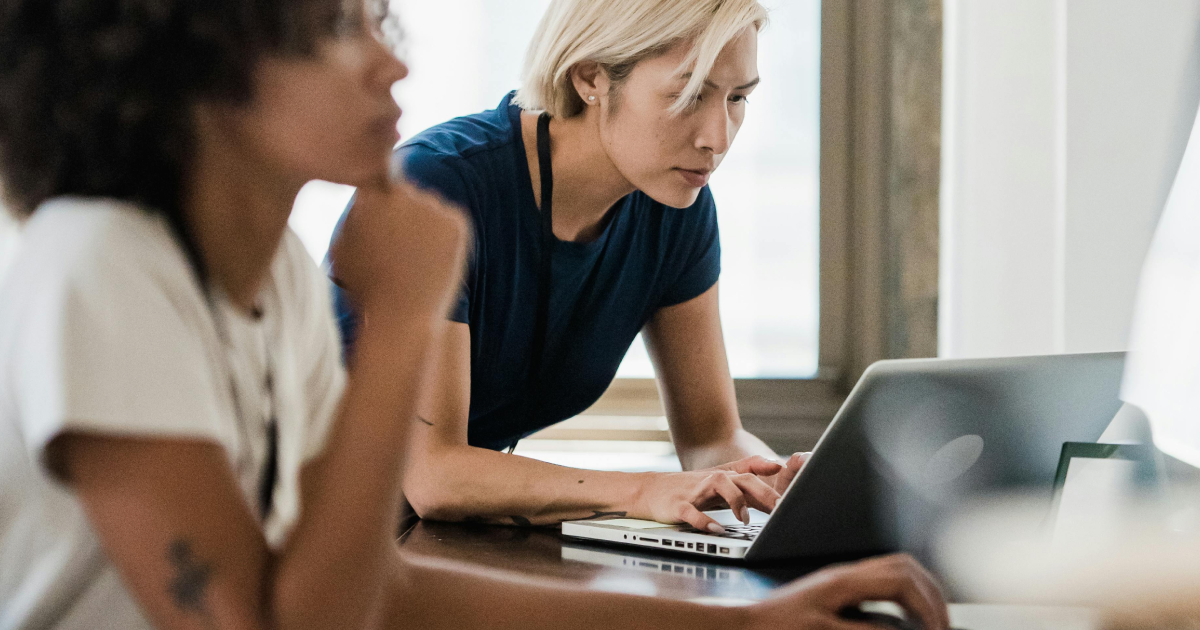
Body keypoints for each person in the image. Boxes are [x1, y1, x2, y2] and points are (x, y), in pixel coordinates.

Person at [0, 0, 951, 628]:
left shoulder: (277, 278)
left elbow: (377, 586)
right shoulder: (101, 265)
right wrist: (407, 314)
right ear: (205, 81)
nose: (391, 64)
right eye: (339, 30)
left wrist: (749, 620)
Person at [329, 0, 810, 533]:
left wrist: (787, 485)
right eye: (690, 94)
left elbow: (711, 440)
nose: (717, 139)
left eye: (738, 98)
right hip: (305, 526)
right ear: (591, 79)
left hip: (430, 541)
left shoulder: (677, 205)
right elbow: (435, 475)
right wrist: (645, 490)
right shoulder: (439, 185)